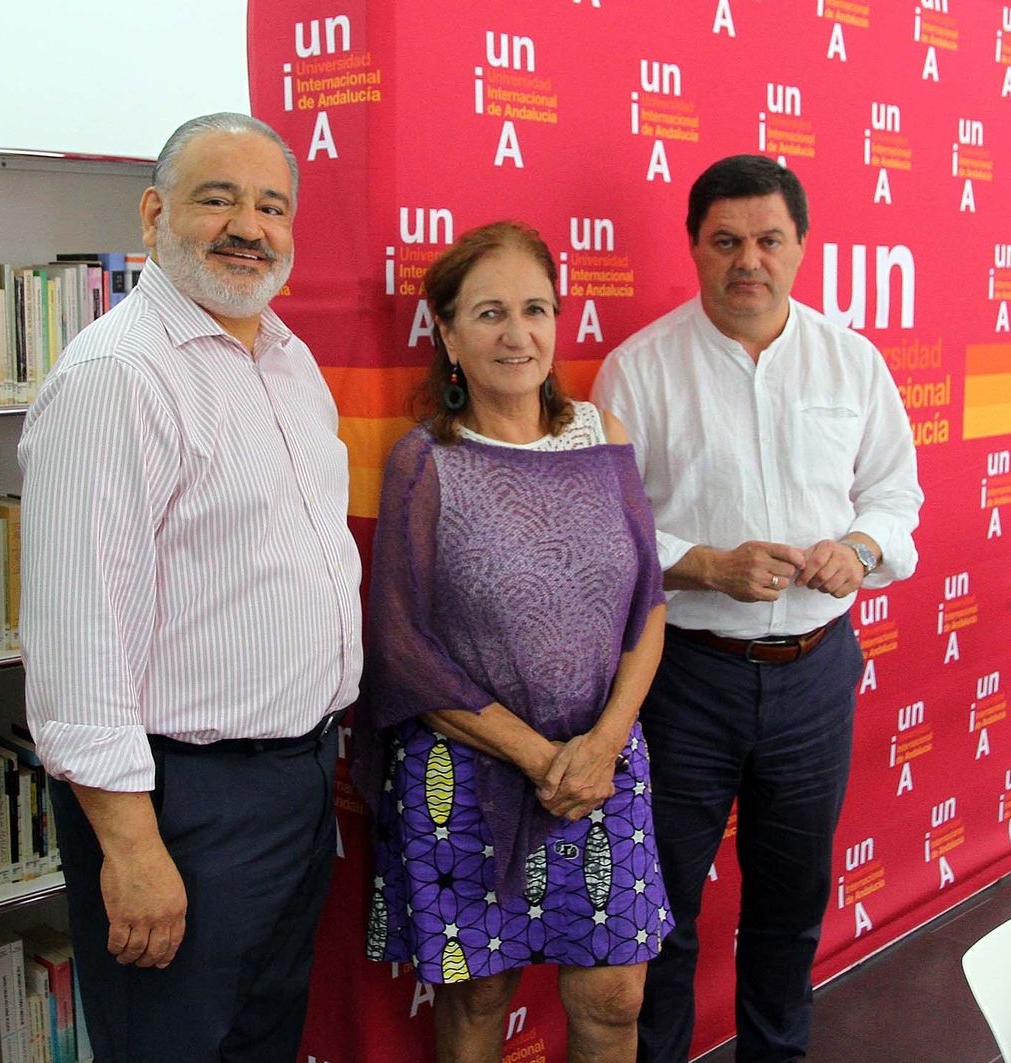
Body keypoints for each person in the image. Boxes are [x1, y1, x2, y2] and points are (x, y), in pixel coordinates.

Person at [17, 112, 362, 1063]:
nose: (248, 226)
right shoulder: (119, 378)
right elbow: (79, 641)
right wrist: (131, 849)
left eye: (271, 205)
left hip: (293, 782)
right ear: (154, 212)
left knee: (261, 1038)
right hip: (177, 803)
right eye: (218, 198)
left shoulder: (288, 364)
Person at [591, 155, 923, 1063]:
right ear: (694, 247)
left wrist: (857, 551)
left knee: (790, 901)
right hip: (682, 679)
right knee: (664, 909)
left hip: (816, 670)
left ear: (802, 248)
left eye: (769, 240)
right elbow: (608, 535)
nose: (749, 260)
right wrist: (704, 565)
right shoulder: (638, 370)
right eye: (726, 241)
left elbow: (896, 499)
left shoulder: (851, 361)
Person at [358, 220, 670, 1063]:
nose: (517, 333)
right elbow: (402, 650)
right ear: (449, 335)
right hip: (467, 772)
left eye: (536, 309)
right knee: (477, 998)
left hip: (602, 765)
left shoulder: (602, 437)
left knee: (615, 996)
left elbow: (649, 605)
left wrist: (602, 744)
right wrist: (539, 756)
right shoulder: (426, 462)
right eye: (489, 312)